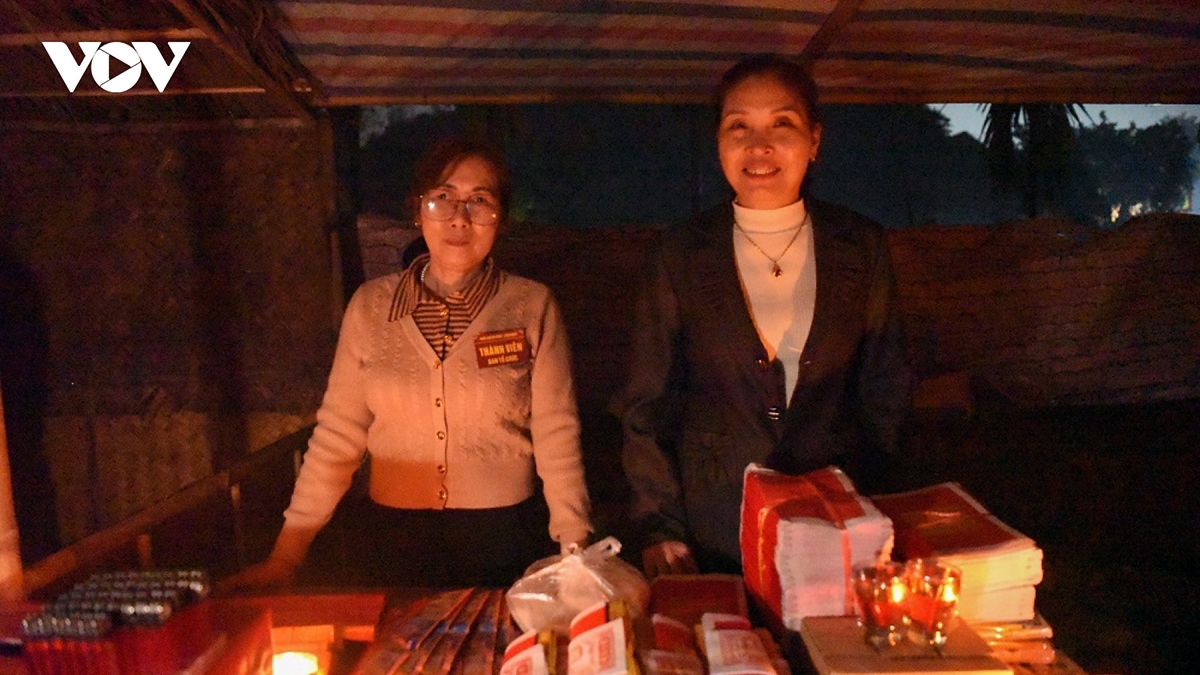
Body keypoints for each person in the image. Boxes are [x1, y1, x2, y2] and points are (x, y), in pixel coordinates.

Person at [223, 137, 592, 590]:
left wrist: (574, 550)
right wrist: (287, 555)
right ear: (418, 211)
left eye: (480, 200)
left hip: (503, 538)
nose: (460, 217)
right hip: (394, 540)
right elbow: (338, 436)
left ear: (501, 218)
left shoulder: (531, 305)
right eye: (443, 198)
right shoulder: (371, 307)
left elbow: (557, 433)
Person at [612, 54, 911, 578]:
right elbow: (646, 402)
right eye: (738, 127)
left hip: (835, 523)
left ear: (814, 140)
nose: (759, 146)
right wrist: (659, 525)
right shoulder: (679, 253)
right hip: (715, 529)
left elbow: (884, 387)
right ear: (719, 143)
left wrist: (875, 502)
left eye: (782, 123)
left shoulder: (860, 246)